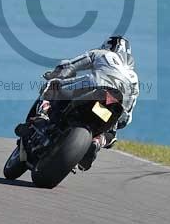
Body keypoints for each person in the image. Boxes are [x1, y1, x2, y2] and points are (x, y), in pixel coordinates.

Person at [33, 36, 139, 171]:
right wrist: (116, 124)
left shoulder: (102, 53)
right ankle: (96, 142)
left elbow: (68, 65)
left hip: (95, 86)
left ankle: (42, 115)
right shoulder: (134, 78)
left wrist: (55, 74)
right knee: (111, 135)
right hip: (113, 104)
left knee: (52, 85)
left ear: (107, 46)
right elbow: (126, 118)